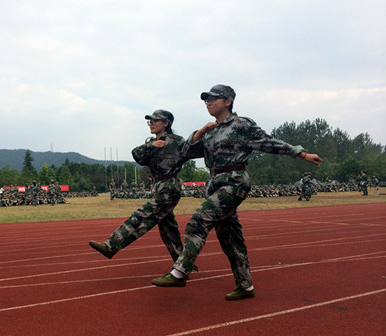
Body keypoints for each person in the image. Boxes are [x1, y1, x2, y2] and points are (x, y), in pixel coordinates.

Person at [151, 84, 323, 300]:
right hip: (214, 182)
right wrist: (200, 132)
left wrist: (301, 153)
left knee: (198, 220)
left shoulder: (242, 124)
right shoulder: (211, 130)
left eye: (214, 98)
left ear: (228, 101)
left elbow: (268, 143)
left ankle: (180, 271)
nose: (208, 102)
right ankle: (245, 286)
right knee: (230, 237)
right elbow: (185, 151)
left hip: (234, 181)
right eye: (206, 100)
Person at [89, 110, 196, 265]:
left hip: (170, 185)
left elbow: (192, 149)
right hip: (158, 186)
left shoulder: (177, 141)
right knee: (168, 229)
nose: (151, 124)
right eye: (149, 121)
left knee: (142, 215)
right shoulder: (151, 143)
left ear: (166, 123)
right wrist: (150, 145)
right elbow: (137, 155)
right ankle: (183, 263)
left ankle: (111, 245)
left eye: (154, 121)